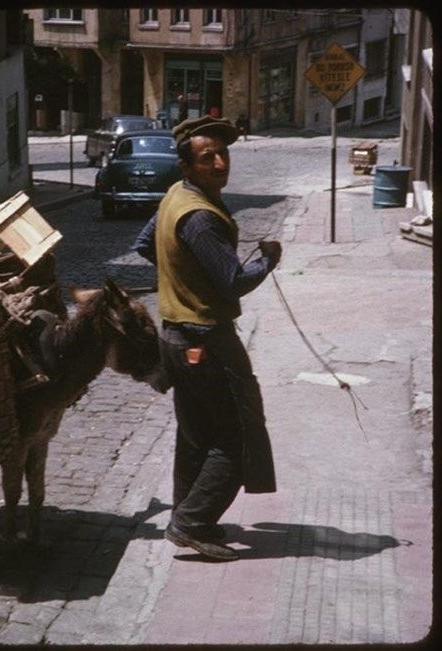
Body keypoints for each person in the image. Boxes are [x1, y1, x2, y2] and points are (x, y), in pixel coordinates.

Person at [133, 115, 282, 562]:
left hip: (176, 338)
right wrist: (270, 260)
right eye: (207, 157)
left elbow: (145, 245)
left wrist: (181, 278)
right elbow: (233, 281)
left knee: (196, 434)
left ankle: (187, 515)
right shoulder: (200, 218)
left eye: (223, 154)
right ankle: (192, 522)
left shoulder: (175, 199)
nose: (219, 163)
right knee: (236, 438)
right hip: (207, 340)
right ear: (186, 166)